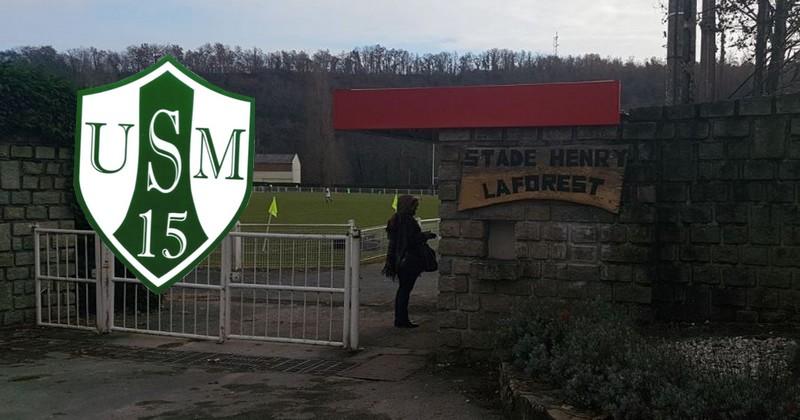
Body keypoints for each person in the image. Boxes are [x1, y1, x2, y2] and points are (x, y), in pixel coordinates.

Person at [382, 195, 436, 328]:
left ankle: (401, 318)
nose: (416, 209)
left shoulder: (396, 220)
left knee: (403, 289)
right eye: (414, 206)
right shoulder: (407, 221)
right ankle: (402, 320)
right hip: (408, 260)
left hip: (399, 259)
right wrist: (426, 236)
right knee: (405, 290)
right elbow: (412, 240)